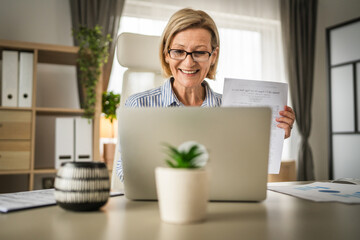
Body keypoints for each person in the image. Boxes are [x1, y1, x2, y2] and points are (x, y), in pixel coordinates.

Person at [116, 8, 295, 181]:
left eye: (200, 52)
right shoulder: (139, 106)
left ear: (213, 56)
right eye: (179, 51)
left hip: (221, 202)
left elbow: (247, 165)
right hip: (159, 203)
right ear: (166, 54)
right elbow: (124, 171)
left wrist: (275, 136)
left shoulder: (232, 109)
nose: (188, 62)